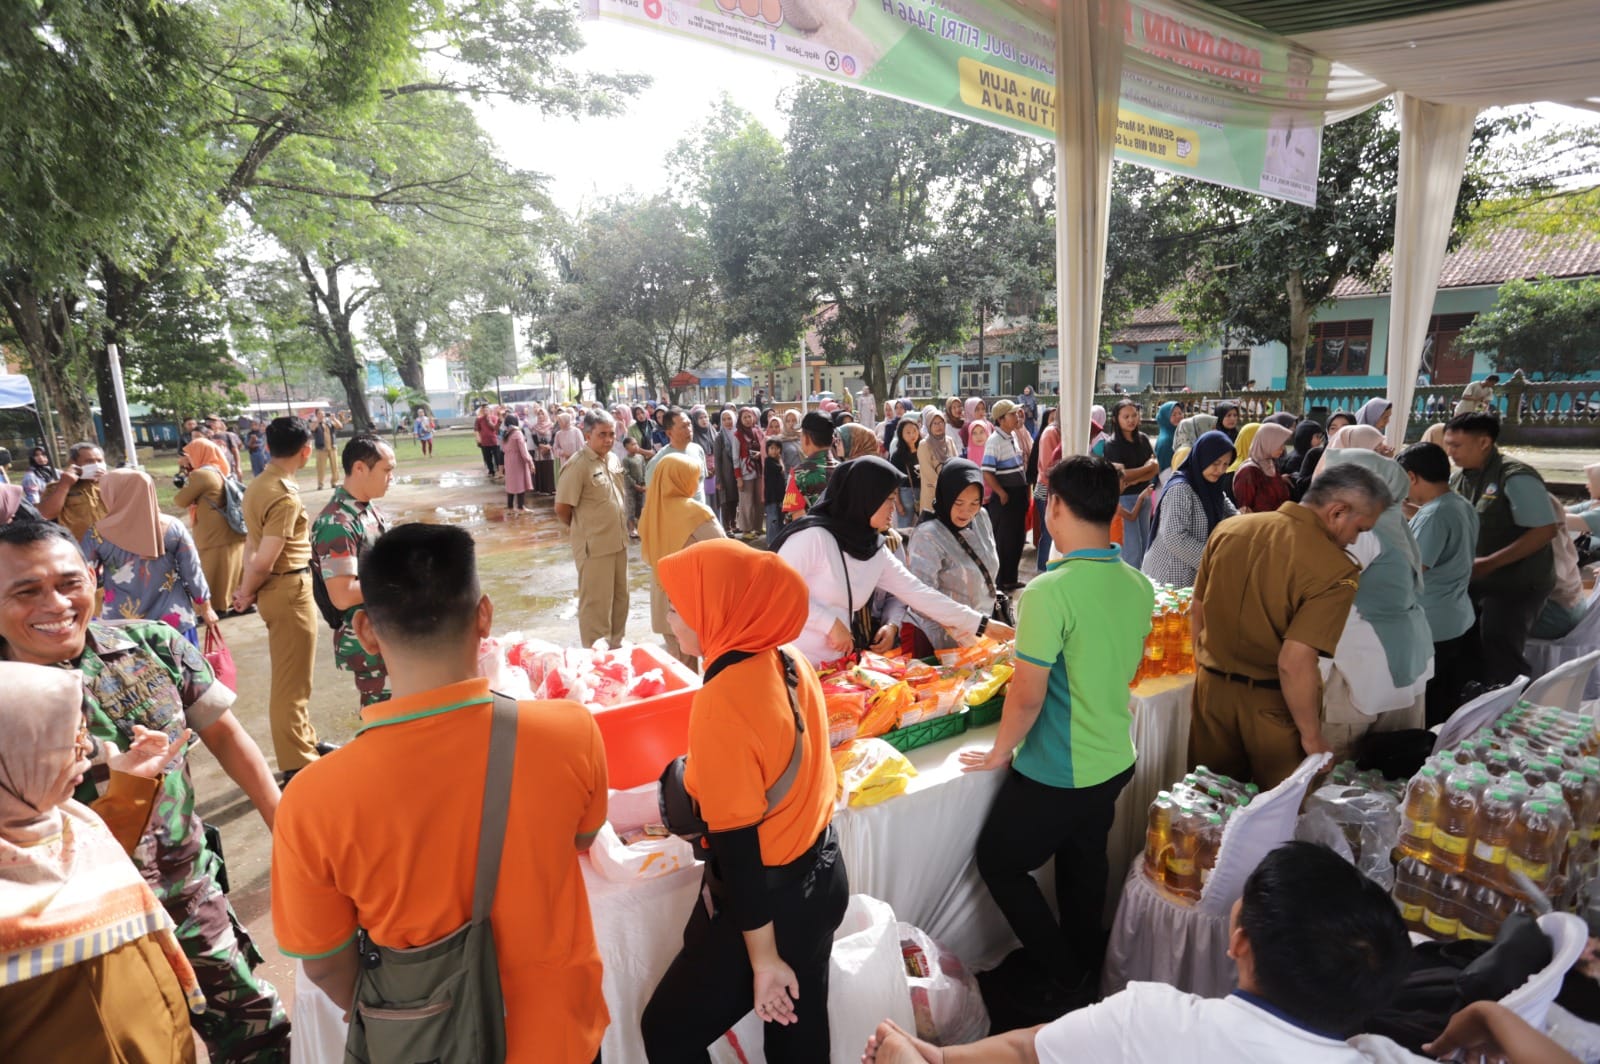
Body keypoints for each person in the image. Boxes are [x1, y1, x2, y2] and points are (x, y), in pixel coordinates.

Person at [271, 524, 610, 1063]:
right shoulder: (571, 731)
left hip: (428, 1046)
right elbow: (581, 839)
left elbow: (328, 964)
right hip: (563, 1037)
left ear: (366, 631)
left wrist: (414, 1016)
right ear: (484, 616)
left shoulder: (312, 799)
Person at [0, 520, 288, 1058]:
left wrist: (286, 830)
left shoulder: (152, 645)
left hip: (187, 893)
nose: (56, 604)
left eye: (69, 583)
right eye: (27, 591)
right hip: (73, 929)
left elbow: (226, 736)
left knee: (260, 1033)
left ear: (93, 577)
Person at [862, 842, 1533, 1064]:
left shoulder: (1150, 1022)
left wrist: (932, 1059)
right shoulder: (1385, 1058)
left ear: (1240, 944)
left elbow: (1024, 1051)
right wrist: (1494, 1016)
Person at [640, 539, 848, 1062]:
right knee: (797, 1032)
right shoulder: (787, 658)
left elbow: (737, 848)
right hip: (824, 874)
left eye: (677, 607)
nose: (668, 620)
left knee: (667, 1030)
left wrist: (764, 959)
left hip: (774, 906)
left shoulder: (723, 699)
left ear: (717, 610)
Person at [961, 455, 1154, 1010]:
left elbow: (1027, 695)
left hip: (1062, 767)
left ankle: (1066, 975)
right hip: (1114, 755)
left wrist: (1000, 752)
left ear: (1056, 507)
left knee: (1000, 861)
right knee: (1083, 863)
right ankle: (1086, 966)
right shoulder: (1137, 583)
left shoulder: (1050, 590)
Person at [0, 663, 205, 1061]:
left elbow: (79, 874)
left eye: (82, 734)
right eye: (65, 740)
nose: (86, 752)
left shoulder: (72, 823)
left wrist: (129, 787)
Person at [1188, 463, 1388, 787]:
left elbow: (1197, 610)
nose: (1354, 540)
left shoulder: (1230, 529)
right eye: (1359, 529)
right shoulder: (1335, 570)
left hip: (1211, 693)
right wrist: (1312, 736)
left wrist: (1207, 672)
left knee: (1206, 804)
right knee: (1278, 809)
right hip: (1273, 706)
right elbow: (1294, 662)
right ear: (1337, 512)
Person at [773, 457, 1013, 665]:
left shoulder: (874, 549)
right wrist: (829, 623)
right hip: (791, 661)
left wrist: (982, 625)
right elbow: (775, 591)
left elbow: (919, 594)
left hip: (834, 666)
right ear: (864, 499)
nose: (894, 509)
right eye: (887, 499)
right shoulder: (812, 537)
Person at [1316, 449, 1433, 754]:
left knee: (1340, 772)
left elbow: (1324, 605)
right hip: (1401, 661)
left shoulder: (1362, 532)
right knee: (1390, 767)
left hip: (1361, 672)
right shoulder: (1392, 521)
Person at [236, 415, 326, 783]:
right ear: (306, 450)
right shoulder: (283, 495)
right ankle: (298, 761)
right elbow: (265, 558)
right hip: (288, 588)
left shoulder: (258, 485)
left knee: (295, 678)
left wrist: (246, 588)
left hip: (277, 589)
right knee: (292, 684)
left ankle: (304, 741)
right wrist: (246, 590)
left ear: (268, 446)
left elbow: (251, 545)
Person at [1445, 412, 1558, 687]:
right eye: (1447, 445)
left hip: (1516, 584)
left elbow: (1544, 530)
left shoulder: (1515, 476)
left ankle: (1518, 703)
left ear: (1484, 442)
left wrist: (1491, 562)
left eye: (1456, 445)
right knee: (1467, 649)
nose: (1450, 452)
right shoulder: (1460, 479)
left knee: (1500, 648)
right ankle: (1478, 702)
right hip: (1478, 581)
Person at [80, 469, 218, 645]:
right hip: (175, 622)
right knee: (184, 663)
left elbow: (85, 576)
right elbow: (192, 571)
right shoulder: (173, 527)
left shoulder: (96, 534)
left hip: (123, 628)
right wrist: (206, 608)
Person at [1398, 442, 1483, 726]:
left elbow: (1411, 571)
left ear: (1411, 476)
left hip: (1433, 623)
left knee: (1428, 703)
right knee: (1445, 696)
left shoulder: (1433, 515)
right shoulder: (1459, 504)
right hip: (1456, 615)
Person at [311, 434, 395, 708]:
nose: (391, 477)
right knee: (383, 717)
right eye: (386, 470)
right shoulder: (337, 523)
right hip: (366, 638)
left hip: (384, 631)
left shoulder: (365, 510)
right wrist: (401, 580)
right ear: (360, 468)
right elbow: (343, 595)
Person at [906, 460, 1000, 653]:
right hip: (941, 640)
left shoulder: (981, 518)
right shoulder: (928, 535)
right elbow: (920, 599)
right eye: (958, 503)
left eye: (974, 503)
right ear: (946, 496)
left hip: (981, 633)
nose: (967, 511)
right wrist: (966, 624)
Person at [641, 453, 725, 669]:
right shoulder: (695, 512)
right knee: (711, 665)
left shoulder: (650, 512)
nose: (695, 485)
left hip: (662, 599)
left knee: (680, 667)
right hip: (693, 600)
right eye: (693, 478)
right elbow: (724, 549)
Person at [556, 411, 630, 648]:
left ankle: (616, 646)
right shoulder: (578, 465)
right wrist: (583, 528)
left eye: (612, 434)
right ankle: (595, 653)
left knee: (620, 598)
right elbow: (562, 508)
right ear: (587, 435)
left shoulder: (613, 459)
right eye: (602, 434)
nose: (608, 440)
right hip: (594, 546)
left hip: (618, 541)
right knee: (596, 603)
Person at [1142, 431, 1238, 588]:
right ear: (1203, 458)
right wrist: (1215, 558)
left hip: (1194, 574)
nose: (1220, 470)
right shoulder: (1181, 489)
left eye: (1226, 464)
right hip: (1170, 575)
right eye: (1215, 463)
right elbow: (1174, 537)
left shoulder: (1213, 488)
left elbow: (1234, 517)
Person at [173, 452, 247, 616]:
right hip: (228, 527)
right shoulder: (216, 470)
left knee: (211, 570)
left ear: (199, 453)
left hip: (212, 532)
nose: (184, 458)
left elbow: (180, 500)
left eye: (189, 453)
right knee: (232, 567)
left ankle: (215, 607)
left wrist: (183, 474)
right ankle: (239, 602)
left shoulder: (201, 475)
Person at [1101, 399, 1159, 570]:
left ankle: (1143, 578)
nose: (1131, 420)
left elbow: (1155, 468)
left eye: (1134, 415)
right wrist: (1145, 469)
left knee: (1145, 543)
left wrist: (1136, 478)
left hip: (1144, 494)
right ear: (1115, 419)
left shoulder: (1143, 439)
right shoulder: (1112, 444)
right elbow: (1121, 474)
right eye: (1126, 417)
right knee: (1132, 548)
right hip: (1125, 498)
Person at [983, 399, 1032, 589]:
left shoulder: (1013, 436)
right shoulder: (994, 441)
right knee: (1004, 541)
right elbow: (987, 471)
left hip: (1018, 495)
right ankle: (1001, 581)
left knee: (1017, 539)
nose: (1017, 417)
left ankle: (1011, 578)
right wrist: (1001, 492)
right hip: (1006, 496)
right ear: (1001, 419)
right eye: (1012, 414)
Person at [1534, 497, 1589, 640]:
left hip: (1558, 612)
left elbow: (1569, 518)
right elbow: (1566, 512)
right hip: (1572, 603)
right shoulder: (1545, 499)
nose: (1587, 486)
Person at [36, 441, 108, 541]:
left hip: (113, 544)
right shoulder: (57, 487)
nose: (96, 465)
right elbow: (46, 514)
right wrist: (64, 485)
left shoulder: (113, 484)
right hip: (79, 545)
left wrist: (108, 480)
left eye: (99, 461)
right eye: (89, 461)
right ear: (73, 463)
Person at [646, 406, 709, 506]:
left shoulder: (698, 450)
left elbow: (701, 483)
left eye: (689, 424)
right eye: (683, 427)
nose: (689, 430)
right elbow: (652, 494)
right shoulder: (659, 461)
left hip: (700, 512)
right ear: (669, 433)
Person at [1231, 422, 1294, 514]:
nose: (1282, 448)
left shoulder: (1271, 464)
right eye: (1279, 444)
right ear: (1267, 442)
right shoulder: (1248, 471)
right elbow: (1245, 512)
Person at [787, 412, 836, 517]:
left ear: (807, 439)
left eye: (801, 435)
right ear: (832, 439)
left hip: (812, 527)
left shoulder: (798, 474)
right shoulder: (846, 469)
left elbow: (796, 518)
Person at [887, 416, 921, 530]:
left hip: (923, 492)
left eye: (914, 431)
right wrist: (898, 503)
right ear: (901, 434)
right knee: (905, 527)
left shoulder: (923, 450)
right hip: (906, 493)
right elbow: (894, 481)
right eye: (908, 432)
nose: (912, 435)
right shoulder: (897, 455)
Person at [500, 412, 534, 513]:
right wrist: (530, 461)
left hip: (508, 460)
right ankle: (520, 507)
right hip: (518, 460)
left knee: (511, 483)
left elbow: (502, 449)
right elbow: (524, 451)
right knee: (520, 482)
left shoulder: (506, 433)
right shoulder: (517, 433)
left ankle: (510, 506)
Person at [714, 407, 741, 532]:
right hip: (725, 474)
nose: (727, 422)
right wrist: (719, 480)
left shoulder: (738, 434)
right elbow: (717, 460)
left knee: (735, 499)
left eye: (729, 418)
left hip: (737, 473)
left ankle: (734, 523)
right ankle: (726, 527)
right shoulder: (719, 437)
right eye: (724, 419)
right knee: (725, 501)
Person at [308, 409, 342, 490]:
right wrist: (318, 421)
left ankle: (334, 482)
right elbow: (312, 429)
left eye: (323, 414)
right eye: (320, 414)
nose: (322, 415)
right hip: (321, 448)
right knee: (321, 467)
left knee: (335, 466)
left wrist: (334, 419)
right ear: (317, 415)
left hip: (332, 447)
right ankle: (320, 484)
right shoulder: (314, 423)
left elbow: (340, 426)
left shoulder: (329, 422)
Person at [764, 438, 788, 546]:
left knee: (780, 519)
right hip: (772, 498)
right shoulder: (768, 461)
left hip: (779, 497)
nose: (774, 451)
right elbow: (781, 469)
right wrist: (780, 460)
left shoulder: (776, 461)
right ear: (767, 450)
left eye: (777, 448)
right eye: (772, 448)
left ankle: (778, 542)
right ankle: (771, 543)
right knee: (773, 520)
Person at [622, 435, 648, 538]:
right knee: (631, 508)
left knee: (641, 507)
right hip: (631, 489)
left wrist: (644, 483)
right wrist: (634, 485)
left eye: (636, 444)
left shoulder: (640, 457)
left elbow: (644, 470)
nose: (636, 446)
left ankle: (641, 528)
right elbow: (626, 474)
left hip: (641, 487)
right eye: (633, 444)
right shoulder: (626, 460)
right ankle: (631, 529)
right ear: (626, 447)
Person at [474, 402, 503, 479]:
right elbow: (477, 429)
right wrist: (478, 439)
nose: (485, 411)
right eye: (483, 410)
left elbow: (495, 428)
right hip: (485, 442)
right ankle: (491, 471)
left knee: (497, 457)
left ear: (489, 410)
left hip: (494, 441)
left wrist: (489, 420)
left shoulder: (494, 418)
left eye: (486, 410)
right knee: (487, 458)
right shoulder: (479, 419)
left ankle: (498, 471)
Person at [1154, 400, 1183, 472]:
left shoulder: (1176, 434)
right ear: (1165, 418)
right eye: (1174, 414)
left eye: (1180, 413)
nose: (1178, 416)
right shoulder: (1167, 440)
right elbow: (1165, 473)